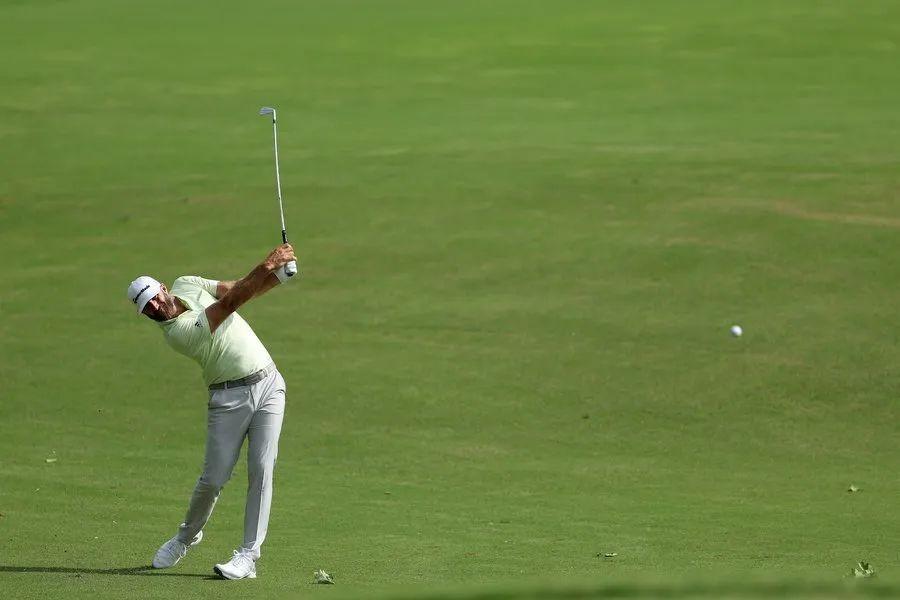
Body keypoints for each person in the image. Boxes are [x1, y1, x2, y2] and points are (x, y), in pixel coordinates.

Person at [125, 243, 297, 580]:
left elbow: (234, 289)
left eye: (154, 298)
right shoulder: (177, 334)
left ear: (163, 287)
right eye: (146, 308)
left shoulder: (186, 283)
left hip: (269, 384)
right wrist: (268, 264)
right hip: (228, 398)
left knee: (262, 469)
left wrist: (277, 278)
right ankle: (186, 537)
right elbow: (229, 305)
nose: (155, 307)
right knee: (213, 479)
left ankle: (248, 555)